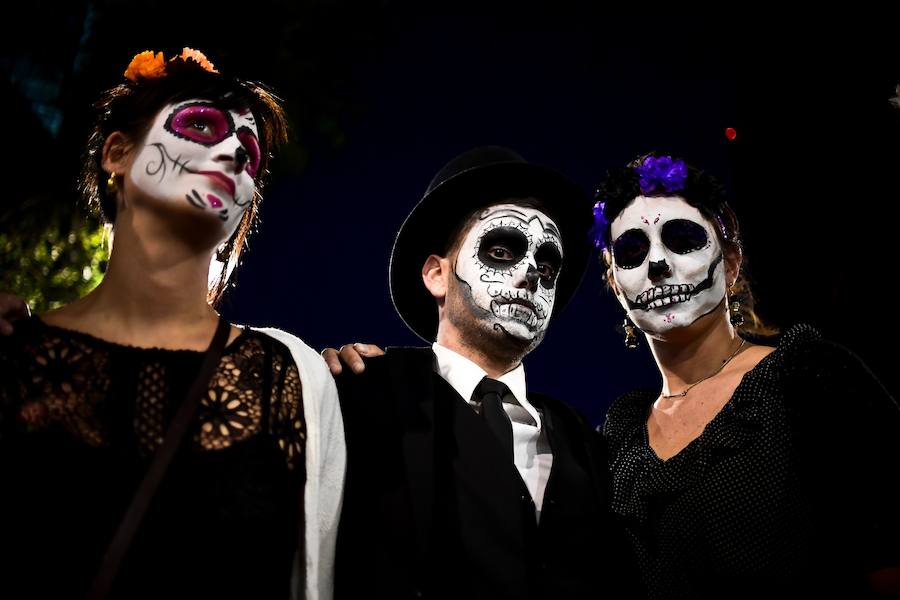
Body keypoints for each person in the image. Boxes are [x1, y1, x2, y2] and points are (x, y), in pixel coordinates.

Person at [0, 48, 344, 599]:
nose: (233, 151)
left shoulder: (291, 380)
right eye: (201, 126)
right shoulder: (13, 354)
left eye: (250, 153)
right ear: (117, 153)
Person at [331, 146, 640, 599]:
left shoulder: (589, 444)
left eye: (549, 264)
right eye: (501, 250)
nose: (532, 273)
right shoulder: (360, 392)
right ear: (436, 274)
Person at [591, 152, 900, 598]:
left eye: (681, 238)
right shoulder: (620, 435)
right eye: (632, 251)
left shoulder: (808, 377)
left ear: (731, 262)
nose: (657, 264)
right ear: (617, 282)